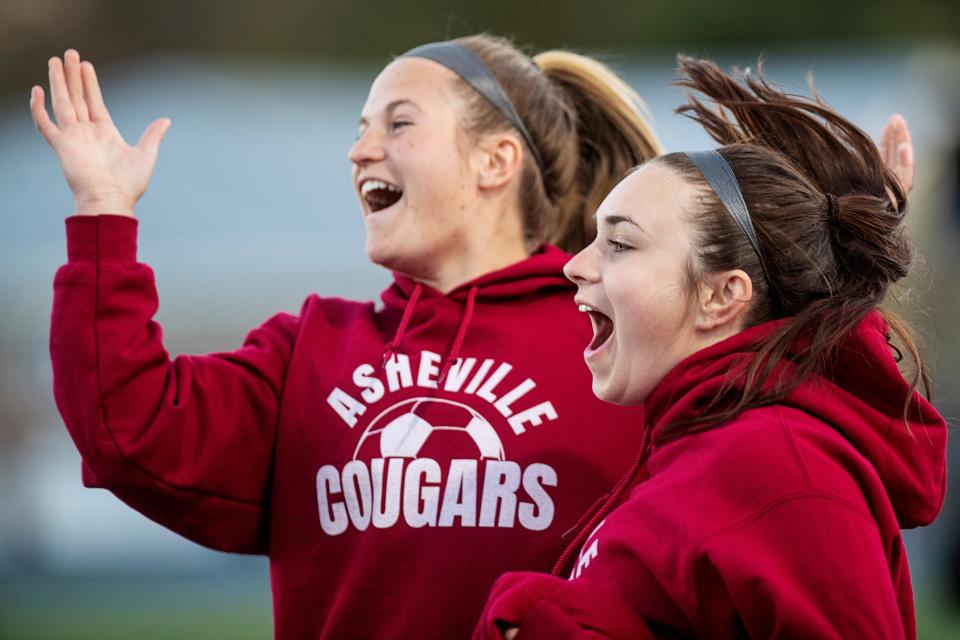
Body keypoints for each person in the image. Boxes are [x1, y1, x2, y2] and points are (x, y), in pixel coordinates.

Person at [31, 36, 665, 639]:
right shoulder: (310, 348)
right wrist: (103, 206)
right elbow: (128, 424)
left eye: (398, 124)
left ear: (494, 161)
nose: (359, 151)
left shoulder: (617, 339)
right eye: (360, 129)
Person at [475, 57, 947, 639]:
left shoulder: (777, 463)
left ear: (724, 296)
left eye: (620, 244)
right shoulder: (706, 442)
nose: (574, 265)